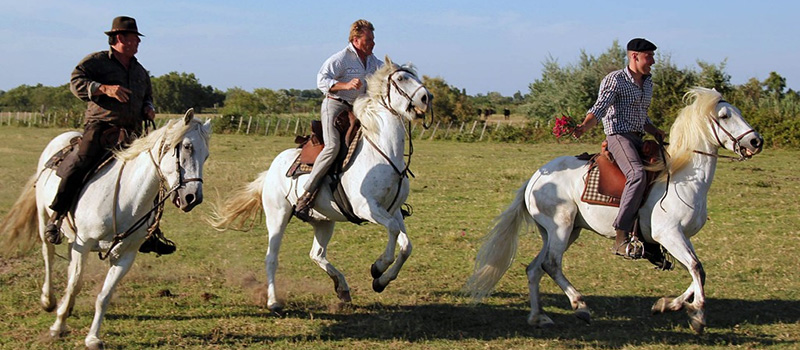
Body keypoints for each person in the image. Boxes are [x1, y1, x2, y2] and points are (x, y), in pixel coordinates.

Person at [45, 16, 175, 255]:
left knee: (152, 175)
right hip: (102, 127)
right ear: (118, 39)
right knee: (80, 161)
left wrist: (148, 107)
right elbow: (76, 81)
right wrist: (104, 88)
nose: (138, 43)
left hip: (133, 133)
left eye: (137, 39)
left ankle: (150, 231)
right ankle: (57, 217)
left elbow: (147, 95)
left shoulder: (139, 71)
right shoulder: (96, 62)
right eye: (134, 38)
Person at [572, 38, 666, 259]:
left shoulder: (648, 82)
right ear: (634, 56)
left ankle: (648, 237)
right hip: (618, 137)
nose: (652, 61)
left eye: (653, 56)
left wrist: (655, 130)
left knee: (662, 174)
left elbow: (641, 115)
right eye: (649, 56)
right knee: (637, 174)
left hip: (639, 138)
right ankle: (621, 235)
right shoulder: (615, 80)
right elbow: (600, 107)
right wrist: (585, 126)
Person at [294, 19, 383, 221]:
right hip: (335, 105)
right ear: (356, 39)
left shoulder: (373, 61)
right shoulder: (341, 58)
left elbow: (388, 70)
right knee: (333, 147)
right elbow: (322, 80)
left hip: (359, 108)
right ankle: (307, 193)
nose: (373, 43)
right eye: (369, 39)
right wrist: (346, 84)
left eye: (373, 39)